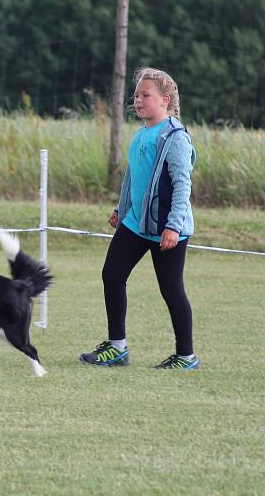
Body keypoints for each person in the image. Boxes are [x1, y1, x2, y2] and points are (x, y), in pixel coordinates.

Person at [79, 67, 199, 370]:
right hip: (135, 223)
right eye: (136, 95)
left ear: (165, 100)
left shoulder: (174, 137)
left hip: (166, 229)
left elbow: (183, 184)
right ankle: (117, 348)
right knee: (112, 274)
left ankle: (186, 357)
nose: (138, 100)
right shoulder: (143, 133)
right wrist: (121, 209)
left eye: (146, 95)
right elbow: (134, 177)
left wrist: (173, 226)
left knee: (171, 290)